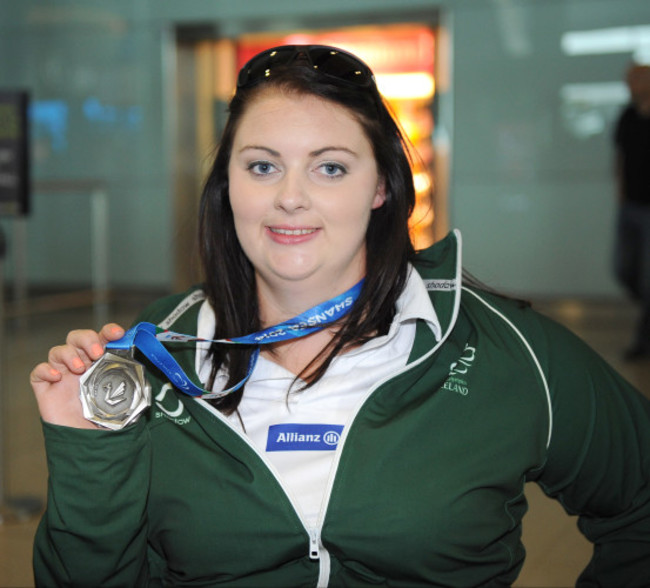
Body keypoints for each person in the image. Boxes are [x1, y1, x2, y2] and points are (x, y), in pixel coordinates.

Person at [31, 45, 650, 587]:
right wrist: (91, 460)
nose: (290, 196)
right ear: (228, 184)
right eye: (262, 165)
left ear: (381, 185)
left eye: (330, 167)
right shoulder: (156, 356)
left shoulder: (498, 347)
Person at [613, 62, 650, 360]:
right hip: (631, 207)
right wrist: (621, 196)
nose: (630, 84)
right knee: (624, 269)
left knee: (648, 280)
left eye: (636, 78)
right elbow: (620, 158)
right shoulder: (627, 116)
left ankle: (642, 342)